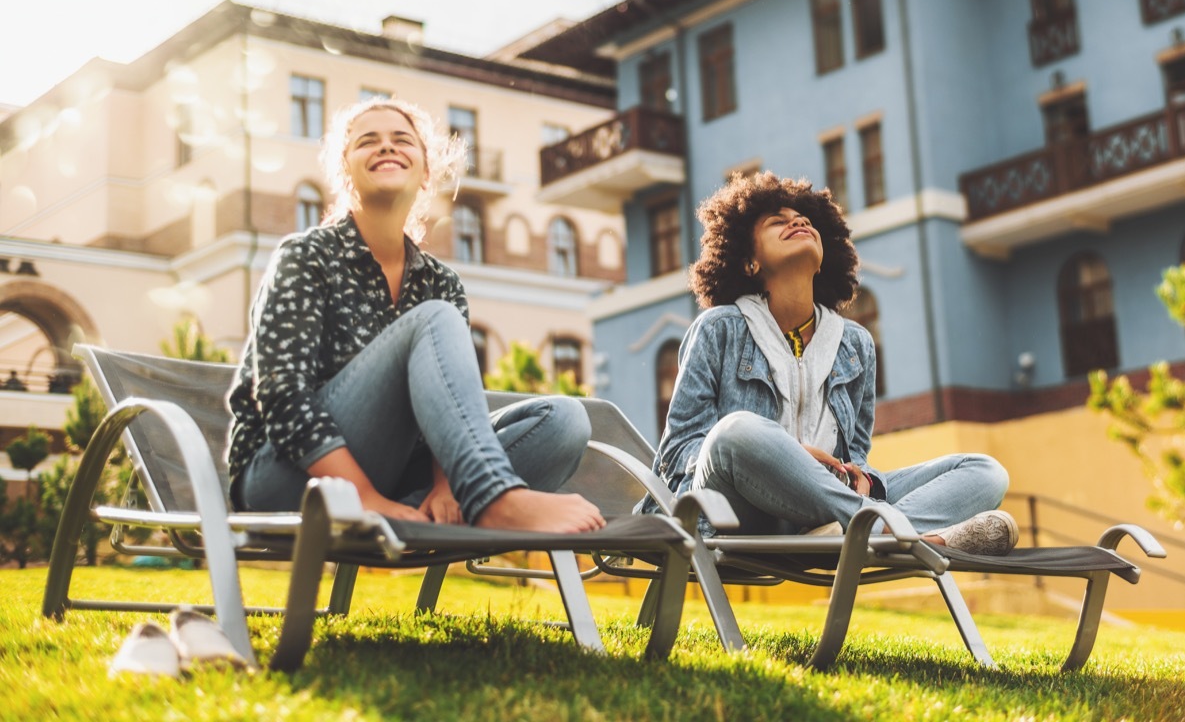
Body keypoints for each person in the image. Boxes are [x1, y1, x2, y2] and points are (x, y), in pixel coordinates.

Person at [226, 96, 604, 533]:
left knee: (565, 421)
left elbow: (450, 402)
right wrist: (364, 499)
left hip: (398, 476)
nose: (387, 147)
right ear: (344, 172)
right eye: (368, 141)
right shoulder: (306, 257)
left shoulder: (441, 281)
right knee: (433, 318)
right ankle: (493, 498)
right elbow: (281, 396)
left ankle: (444, 506)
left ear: (427, 172)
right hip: (285, 478)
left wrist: (446, 485)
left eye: (402, 140)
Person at [636, 171, 1017, 556]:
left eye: (804, 220)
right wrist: (790, 454)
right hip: (736, 508)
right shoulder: (719, 329)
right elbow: (679, 449)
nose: (798, 222)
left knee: (984, 472)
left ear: (824, 260)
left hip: (822, 513)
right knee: (736, 432)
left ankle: (858, 532)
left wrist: (859, 476)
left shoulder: (856, 344)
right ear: (749, 261)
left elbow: (855, 454)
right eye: (777, 222)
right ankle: (887, 531)